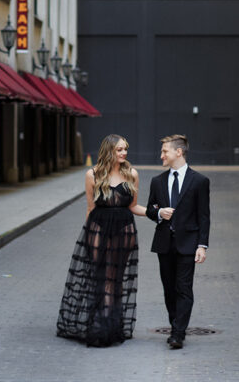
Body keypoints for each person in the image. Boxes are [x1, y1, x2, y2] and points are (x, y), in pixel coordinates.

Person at [56, 134, 146, 347]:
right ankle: (100, 324)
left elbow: (133, 205)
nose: (124, 153)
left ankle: (112, 324)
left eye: (125, 149)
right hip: (98, 228)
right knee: (99, 276)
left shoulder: (132, 174)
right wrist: (87, 237)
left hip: (124, 230)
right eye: (119, 150)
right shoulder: (93, 174)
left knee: (115, 278)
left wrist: (157, 213)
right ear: (109, 151)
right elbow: (90, 208)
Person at [146, 134, 210, 349]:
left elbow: (204, 216)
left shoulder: (199, 181)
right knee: (169, 289)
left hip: (188, 243)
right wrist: (159, 212)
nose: (161, 155)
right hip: (164, 244)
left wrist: (202, 245)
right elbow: (149, 209)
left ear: (178, 152)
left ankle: (178, 333)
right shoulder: (157, 181)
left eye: (165, 151)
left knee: (184, 288)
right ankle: (175, 323)